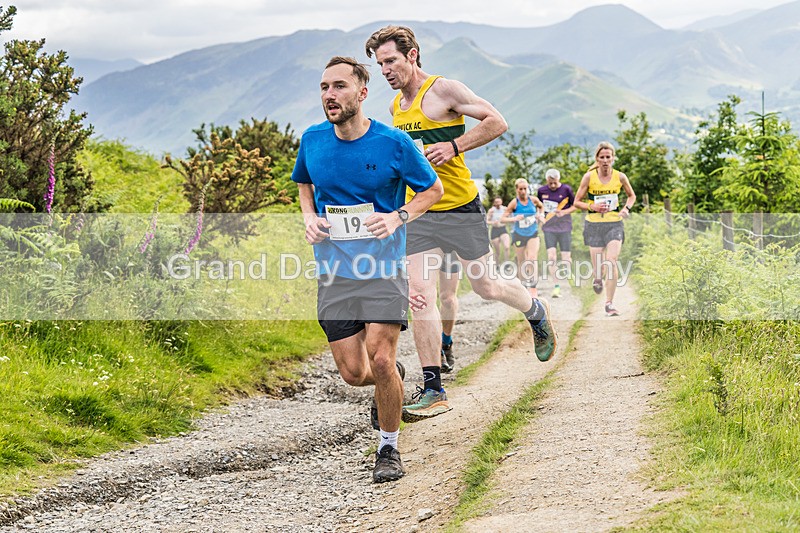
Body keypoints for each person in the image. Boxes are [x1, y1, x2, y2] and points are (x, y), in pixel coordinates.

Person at [365, 26, 557, 423]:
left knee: (487, 287)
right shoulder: (396, 107)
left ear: (412, 55)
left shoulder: (444, 90)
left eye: (391, 61)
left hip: (460, 208)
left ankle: (535, 310)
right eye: (380, 64)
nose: (385, 70)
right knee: (420, 295)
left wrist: (454, 146)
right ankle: (434, 388)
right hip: (420, 211)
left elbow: (497, 121)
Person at [291, 56, 443, 483]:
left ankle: (388, 449)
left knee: (380, 356)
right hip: (335, 273)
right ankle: (392, 379)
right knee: (355, 373)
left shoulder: (394, 143)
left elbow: (433, 189)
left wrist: (398, 217)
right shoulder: (312, 139)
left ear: (362, 93)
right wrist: (309, 218)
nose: (329, 95)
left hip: (384, 269)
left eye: (339, 86)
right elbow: (304, 183)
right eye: (324, 87)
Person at [573, 141, 636, 316]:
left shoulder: (620, 177)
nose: (605, 160)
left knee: (611, 261)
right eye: (602, 157)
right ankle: (597, 278)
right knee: (599, 266)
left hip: (614, 223)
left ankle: (609, 303)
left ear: (613, 158)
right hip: (593, 225)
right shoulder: (589, 177)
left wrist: (626, 209)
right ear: (597, 159)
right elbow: (576, 202)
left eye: (608, 157)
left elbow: (631, 196)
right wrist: (592, 206)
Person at [537, 168, 576, 298]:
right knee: (551, 257)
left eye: (555, 183)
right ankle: (556, 286)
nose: (553, 185)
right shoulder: (541, 191)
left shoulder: (566, 189)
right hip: (549, 228)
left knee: (566, 258)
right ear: (547, 180)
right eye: (550, 183)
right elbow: (539, 207)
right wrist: (540, 216)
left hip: (564, 227)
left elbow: (575, 205)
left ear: (558, 179)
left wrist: (564, 212)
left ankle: (569, 274)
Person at [502, 178, 544, 297]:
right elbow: (503, 218)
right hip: (519, 234)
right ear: (517, 190)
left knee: (532, 259)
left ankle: (533, 287)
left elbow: (541, 206)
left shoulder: (533, 200)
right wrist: (514, 218)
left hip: (533, 233)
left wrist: (540, 215)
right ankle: (523, 287)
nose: (523, 191)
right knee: (522, 262)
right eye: (521, 189)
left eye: (525, 188)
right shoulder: (514, 203)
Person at [438, 251, 461, 373]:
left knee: (448, 299)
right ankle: (436, 349)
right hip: (418, 243)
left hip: (448, 245)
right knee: (423, 298)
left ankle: (446, 342)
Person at [486, 196, 512, 266]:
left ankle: (507, 264)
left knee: (507, 247)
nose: (498, 203)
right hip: (495, 230)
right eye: (496, 202)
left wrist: (506, 220)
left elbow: (510, 218)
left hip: (503, 229)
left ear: (501, 202)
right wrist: (493, 222)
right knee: (497, 251)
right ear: (494, 203)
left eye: (499, 202)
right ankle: (497, 265)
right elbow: (487, 221)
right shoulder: (491, 210)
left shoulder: (505, 209)